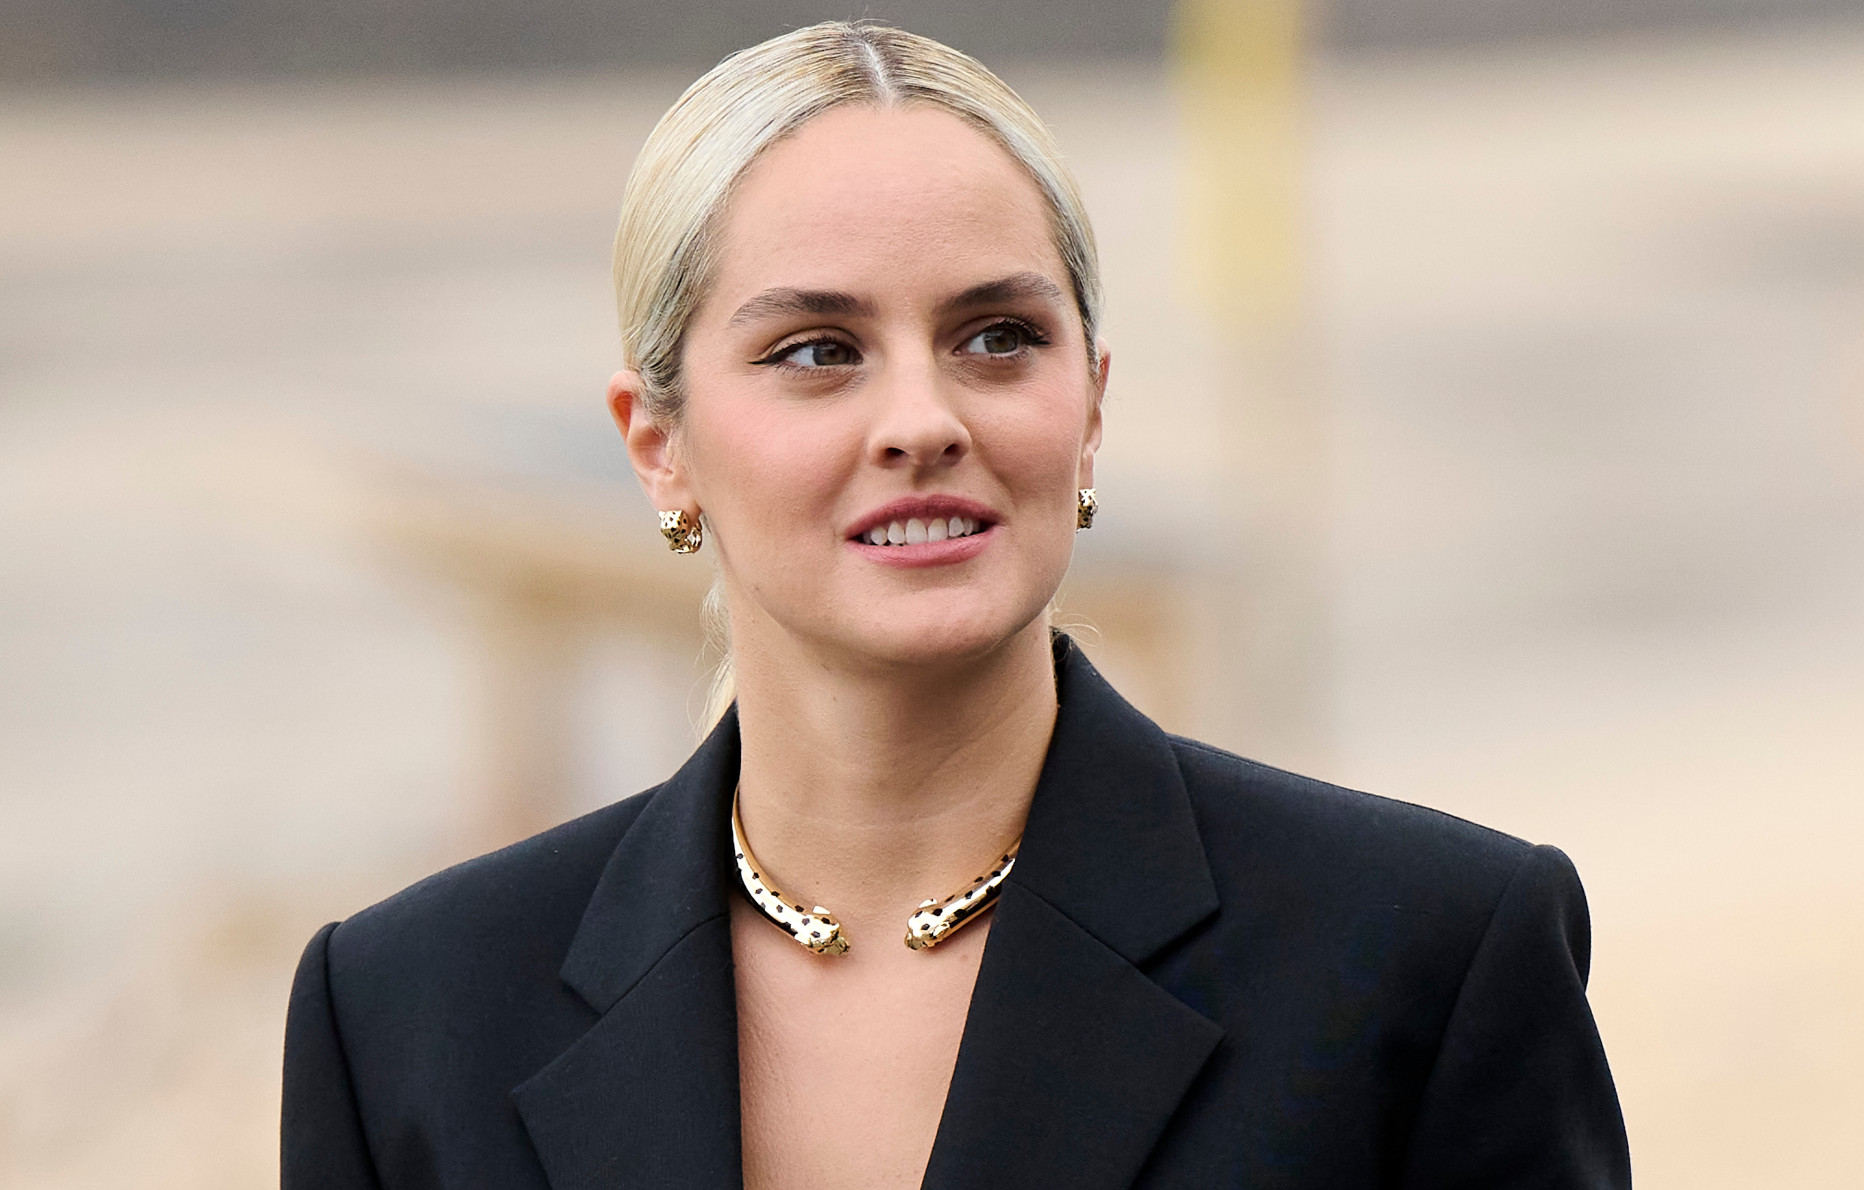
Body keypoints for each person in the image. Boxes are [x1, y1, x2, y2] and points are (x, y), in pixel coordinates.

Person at [282, 21, 1630, 1190]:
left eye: (998, 337)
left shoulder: (1427, 959)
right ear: (659, 445)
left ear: (1091, 405)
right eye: (818, 350)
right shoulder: (401, 1012)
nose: (922, 420)